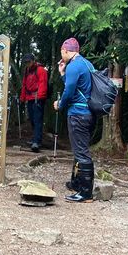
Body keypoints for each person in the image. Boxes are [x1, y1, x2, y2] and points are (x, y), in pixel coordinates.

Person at [53, 37, 96, 203]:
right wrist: (63, 74)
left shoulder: (74, 66)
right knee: (80, 149)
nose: (61, 56)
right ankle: (77, 184)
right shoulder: (87, 64)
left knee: (81, 152)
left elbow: (69, 91)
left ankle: (86, 193)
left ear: (65, 51)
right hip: (89, 113)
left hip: (78, 114)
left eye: (61, 53)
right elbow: (79, 87)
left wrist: (60, 104)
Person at [19, 53, 48, 152]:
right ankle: (35, 139)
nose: (27, 64)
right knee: (32, 119)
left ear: (33, 61)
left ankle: (37, 141)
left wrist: (39, 98)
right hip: (30, 98)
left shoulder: (40, 70)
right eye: (26, 62)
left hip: (38, 98)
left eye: (29, 62)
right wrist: (22, 98)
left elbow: (43, 84)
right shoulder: (27, 71)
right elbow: (24, 85)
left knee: (37, 120)